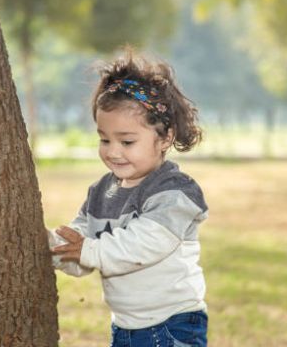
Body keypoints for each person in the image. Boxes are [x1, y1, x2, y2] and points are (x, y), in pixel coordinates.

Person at [48, 51, 209, 347]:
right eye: (104, 139)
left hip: (172, 324)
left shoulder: (174, 192)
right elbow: (81, 255)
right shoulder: (100, 193)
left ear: (164, 138)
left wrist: (89, 251)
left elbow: (145, 244)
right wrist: (52, 246)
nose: (113, 151)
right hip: (125, 328)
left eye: (127, 141)